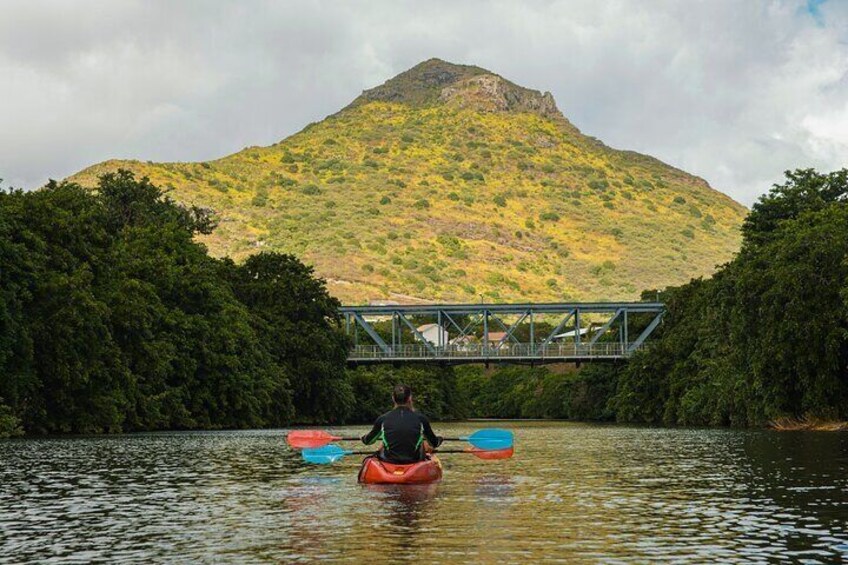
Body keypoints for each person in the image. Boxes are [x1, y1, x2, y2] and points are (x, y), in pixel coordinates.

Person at [361, 384, 443, 464]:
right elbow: (434, 443)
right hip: (414, 460)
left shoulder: (382, 419)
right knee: (421, 441)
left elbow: (368, 441)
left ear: (393, 398)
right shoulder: (421, 419)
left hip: (389, 460)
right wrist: (440, 439)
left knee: (383, 443)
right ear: (409, 398)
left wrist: (363, 438)